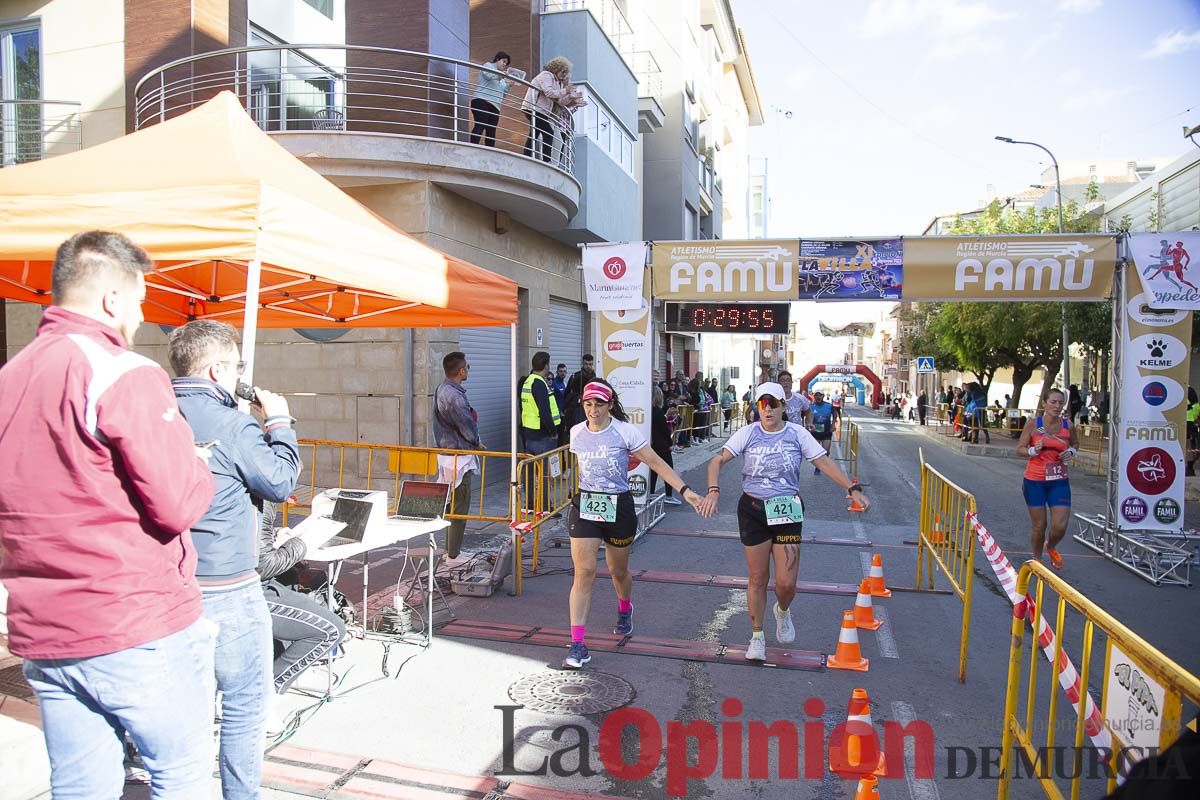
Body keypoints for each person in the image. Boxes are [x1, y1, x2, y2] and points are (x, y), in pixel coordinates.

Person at [0, 231, 218, 798]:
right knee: (182, 772)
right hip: (131, 620)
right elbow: (175, 504)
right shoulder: (124, 373)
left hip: (46, 627)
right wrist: (195, 463)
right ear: (113, 299)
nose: (144, 317)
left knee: (80, 784)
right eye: (142, 300)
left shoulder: (9, 379)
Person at [169, 319, 303, 798]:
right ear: (216, 369)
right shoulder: (232, 423)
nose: (239, 375)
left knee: (185, 710)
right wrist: (279, 423)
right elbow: (281, 482)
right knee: (245, 704)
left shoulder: (154, 413)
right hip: (228, 586)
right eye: (236, 367)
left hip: (170, 584)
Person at [700, 383, 870, 661]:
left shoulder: (796, 434)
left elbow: (824, 462)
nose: (767, 409)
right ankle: (757, 636)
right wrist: (713, 490)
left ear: (783, 407)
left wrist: (851, 488)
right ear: (757, 408)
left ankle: (782, 610)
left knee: (786, 583)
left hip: (787, 509)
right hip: (753, 509)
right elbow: (716, 461)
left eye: (773, 404)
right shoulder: (748, 433)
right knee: (757, 577)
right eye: (762, 404)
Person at [564, 379, 704, 668]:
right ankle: (577, 644)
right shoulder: (576, 432)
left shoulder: (625, 432)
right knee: (585, 571)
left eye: (599, 404)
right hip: (587, 506)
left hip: (619, 507)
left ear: (610, 404)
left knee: (618, 571)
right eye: (588, 404)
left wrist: (685, 491)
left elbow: (656, 462)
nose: (593, 410)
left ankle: (625, 608)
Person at [257, 502, 346, 699]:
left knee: (290, 578)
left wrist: (273, 536)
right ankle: (265, 694)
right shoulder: (258, 495)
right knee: (330, 629)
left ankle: (281, 667)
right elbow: (264, 565)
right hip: (242, 592)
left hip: (239, 584)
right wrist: (302, 543)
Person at [1016, 388, 1079, 571]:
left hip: (1059, 480)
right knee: (1039, 525)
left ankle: (1050, 546)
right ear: (1044, 403)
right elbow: (1019, 448)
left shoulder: (1068, 426)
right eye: (1053, 402)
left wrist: (1071, 452)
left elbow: (1075, 443)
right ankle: (1036, 560)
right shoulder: (1033, 424)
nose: (1057, 406)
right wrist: (1032, 450)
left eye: (1060, 402)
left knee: (1060, 526)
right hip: (1035, 481)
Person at [433, 351, 482, 559]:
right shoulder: (453, 395)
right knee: (458, 508)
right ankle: (453, 554)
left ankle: (450, 552)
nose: (468, 370)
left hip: (449, 456)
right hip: (458, 457)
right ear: (461, 370)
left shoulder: (444, 389)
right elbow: (466, 425)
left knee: (452, 507)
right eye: (467, 367)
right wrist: (477, 442)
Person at [520, 351, 562, 510]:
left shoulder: (528, 381)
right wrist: (553, 431)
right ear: (545, 365)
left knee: (530, 472)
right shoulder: (539, 383)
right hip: (542, 435)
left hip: (529, 433)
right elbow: (545, 411)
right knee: (544, 473)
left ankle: (530, 504)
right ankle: (544, 506)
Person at [522, 56, 574, 162]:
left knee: (534, 133)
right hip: (534, 108)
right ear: (557, 68)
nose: (563, 76)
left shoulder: (557, 82)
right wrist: (565, 90)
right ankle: (546, 161)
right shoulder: (546, 75)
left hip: (541, 111)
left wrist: (570, 97)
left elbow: (559, 101)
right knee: (549, 132)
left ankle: (526, 157)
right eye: (563, 72)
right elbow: (549, 92)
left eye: (565, 73)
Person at [470, 51, 511, 147]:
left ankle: (490, 152)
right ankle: (473, 147)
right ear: (497, 59)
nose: (504, 65)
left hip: (495, 106)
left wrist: (509, 85)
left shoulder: (502, 78)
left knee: (491, 131)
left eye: (506, 64)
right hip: (481, 101)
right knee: (480, 124)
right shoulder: (488, 65)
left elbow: (503, 94)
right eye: (503, 61)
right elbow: (489, 75)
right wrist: (501, 75)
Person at [649, 387, 682, 505]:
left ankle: (651, 492)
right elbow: (664, 430)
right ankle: (669, 495)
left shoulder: (648, 410)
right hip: (661, 445)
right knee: (668, 470)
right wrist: (670, 443)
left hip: (652, 445)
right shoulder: (657, 411)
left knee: (653, 470)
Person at [562, 353, 595, 434]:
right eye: (586, 364)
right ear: (582, 364)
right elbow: (567, 393)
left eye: (590, 364)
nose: (588, 366)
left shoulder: (594, 377)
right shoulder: (576, 377)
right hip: (577, 409)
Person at [808, 390, 838, 475]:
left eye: (820, 395)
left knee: (825, 451)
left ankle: (821, 466)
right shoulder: (811, 406)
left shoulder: (829, 406)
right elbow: (806, 416)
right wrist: (808, 424)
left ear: (823, 396)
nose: (818, 397)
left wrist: (833, 424)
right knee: (817, 452)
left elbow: (835, 414)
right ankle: (818, 467)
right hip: (815, 433)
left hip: (826, 432)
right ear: (814, 396)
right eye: (816, 395)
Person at [1187, 387, 1199, 477]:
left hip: (1188, 421)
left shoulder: (1189, 389)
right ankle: (1189, 468)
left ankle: (1189, 468)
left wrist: (1193, 419)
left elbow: (1196, 406)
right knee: (1190, 444)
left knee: (1190, 445)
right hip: (1187, 421)